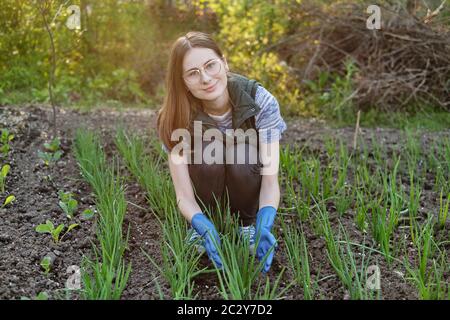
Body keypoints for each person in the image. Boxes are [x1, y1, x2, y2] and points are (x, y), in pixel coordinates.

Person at [156, 31, 287, 273]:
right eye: (193, 73)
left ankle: (246, 225)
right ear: (182, 81)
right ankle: (205, 225)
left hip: (247, 183)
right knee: (208, 153)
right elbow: (183, 194)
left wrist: (264, 222)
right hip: (204, 188)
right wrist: (199, 223)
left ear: (224, 62)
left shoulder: (261, 101)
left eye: (210, 65)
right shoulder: (175, 116)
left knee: (243, 153)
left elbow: (270, 179)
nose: (205, 78)